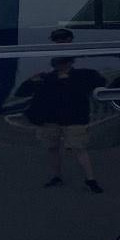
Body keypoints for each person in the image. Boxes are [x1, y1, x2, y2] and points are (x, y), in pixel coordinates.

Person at [18, 56, 104, 193]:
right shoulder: (46, 78)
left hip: (74, 119)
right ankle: (57, 176)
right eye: (58, 62)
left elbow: (100, 84)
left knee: (79, 148)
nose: (61, 65)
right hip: (51, 119)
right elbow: (22, 92)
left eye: (63, 62)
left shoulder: (81, 75)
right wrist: (31, 81)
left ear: (70, 62)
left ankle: (90, 179)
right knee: (53, 148)